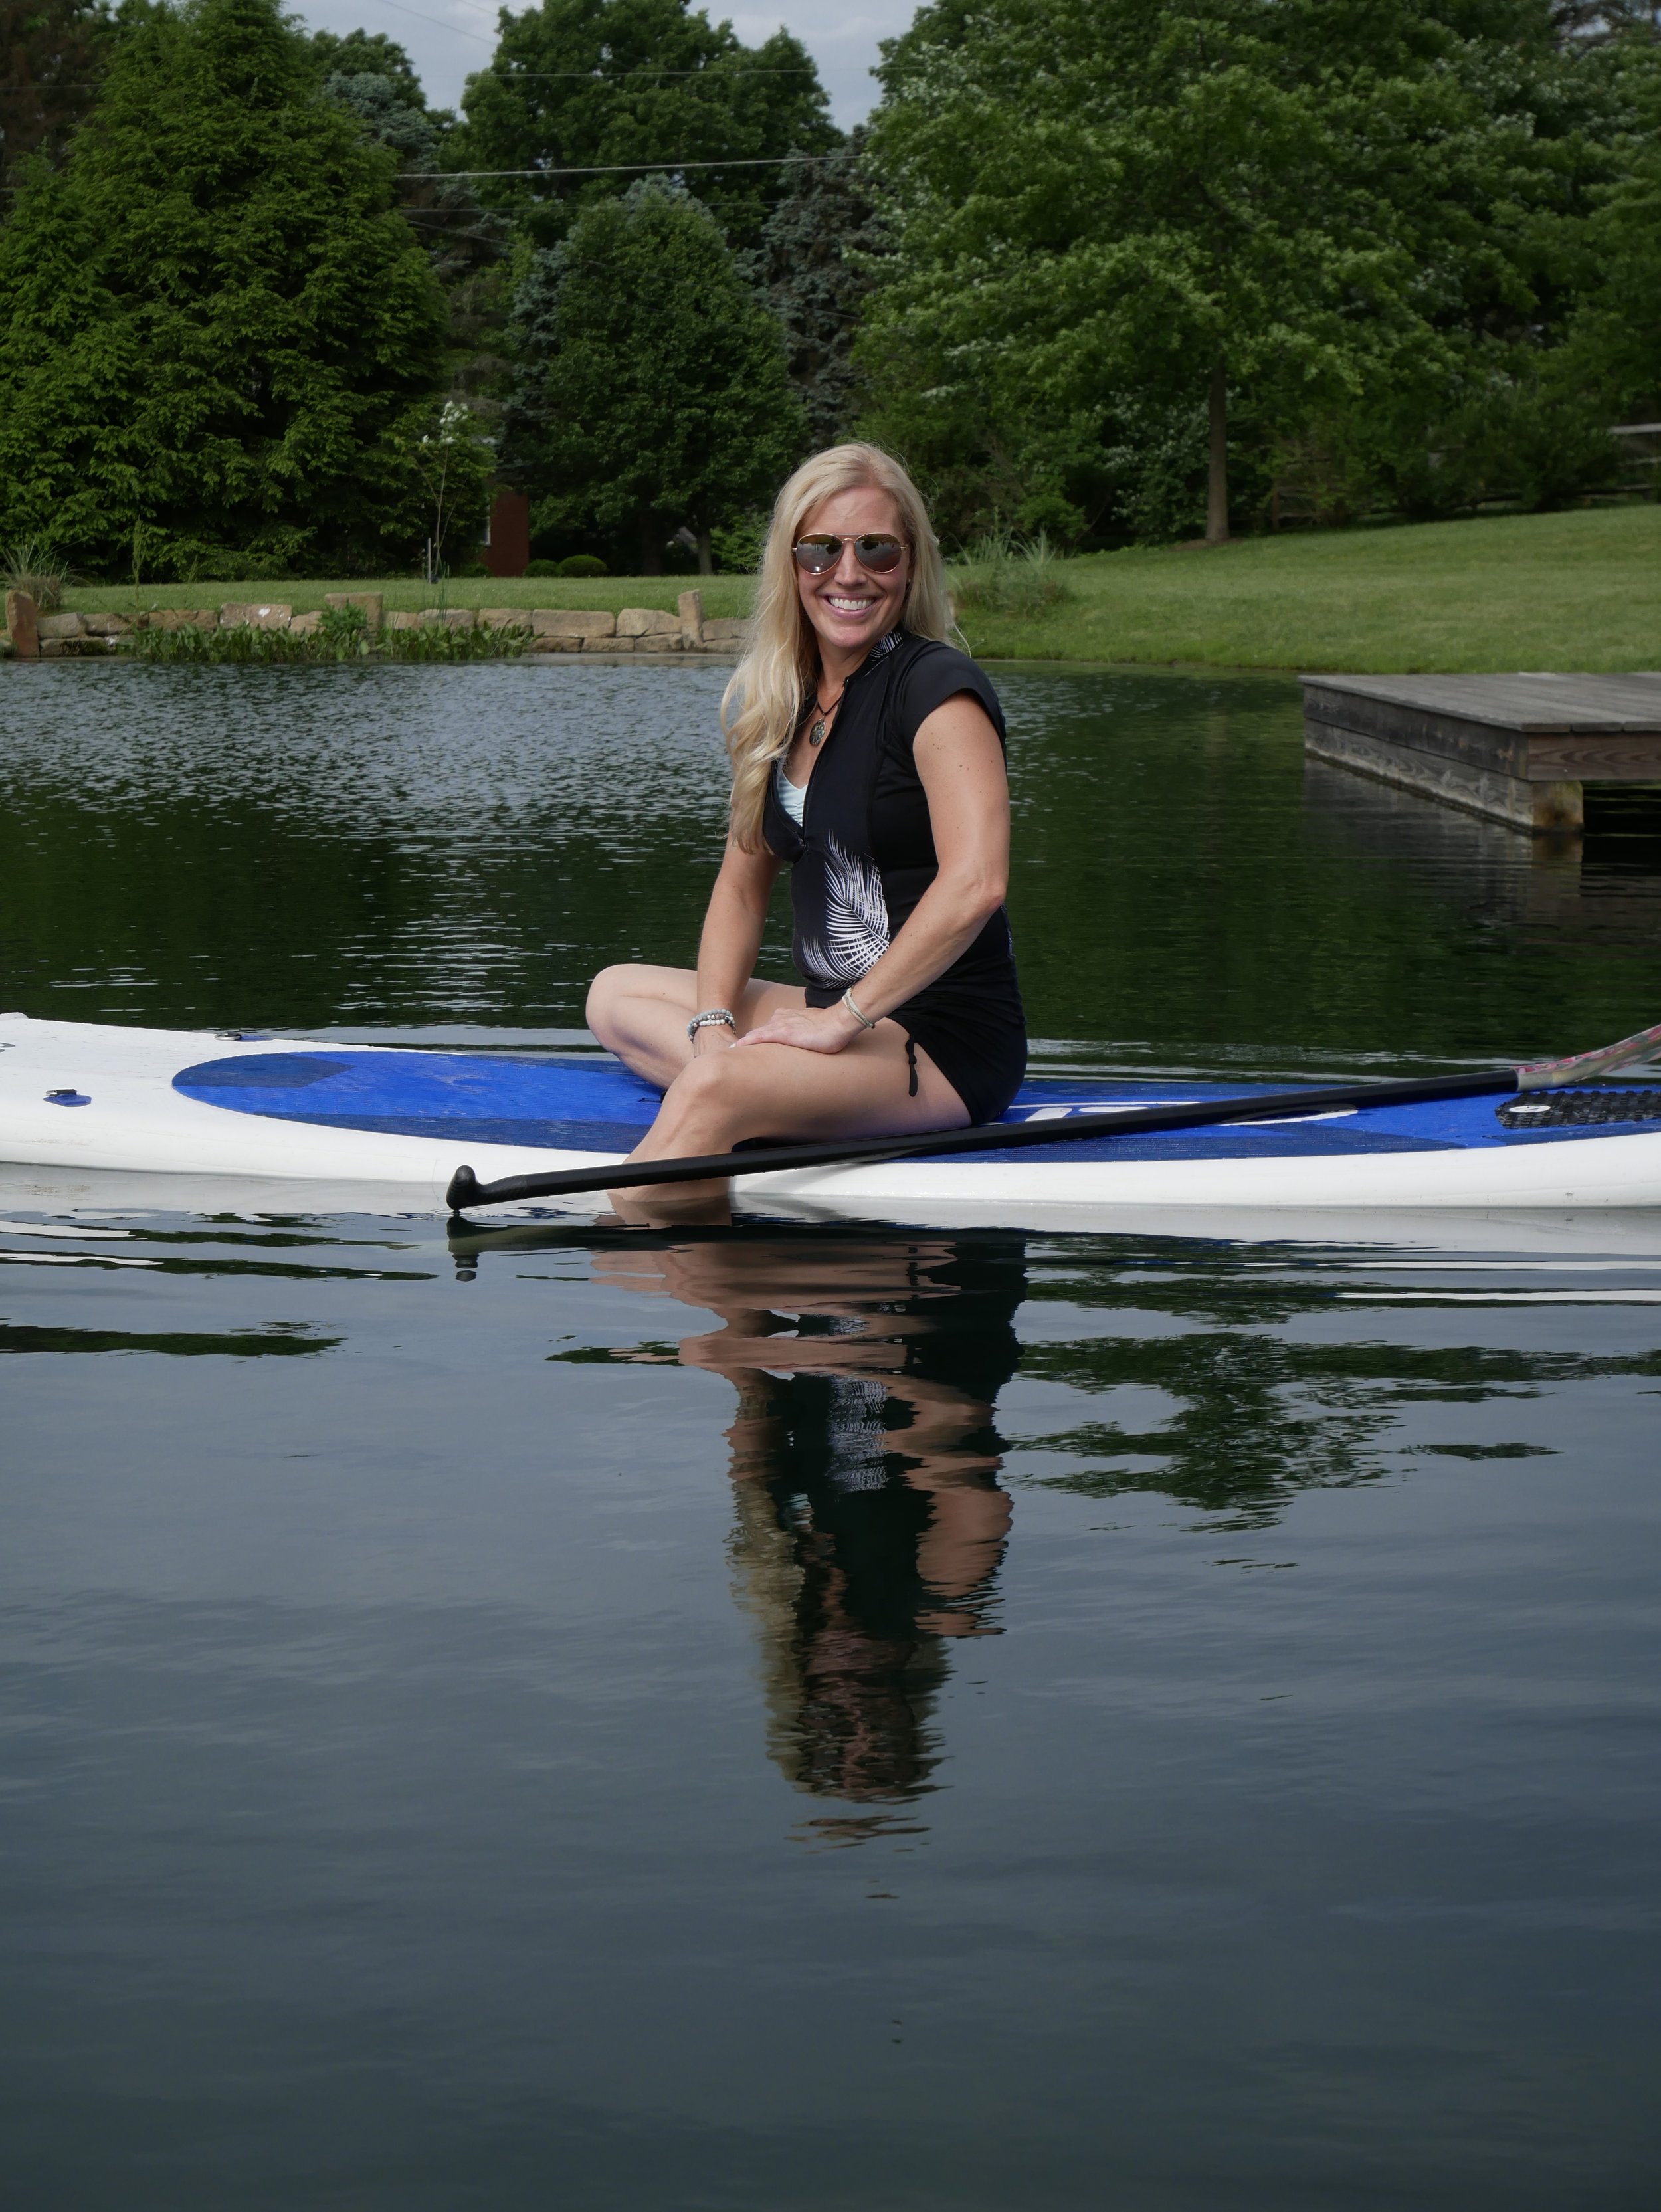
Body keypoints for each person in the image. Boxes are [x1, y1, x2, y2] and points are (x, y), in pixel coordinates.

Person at [586, 442, 1026, 1203]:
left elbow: (977, 882)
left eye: (876, 550)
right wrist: (716, 1024)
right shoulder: (786, 702)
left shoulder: (937, 689)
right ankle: (765, 1090)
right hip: (838, 1014)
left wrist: (841, 1020)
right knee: (614, 995)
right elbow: (739, 887)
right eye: (821, 549)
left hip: (939, 1040)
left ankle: (640, 1252)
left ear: (911, 564)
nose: (848, 573)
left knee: (714, 1087)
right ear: (791, 565)